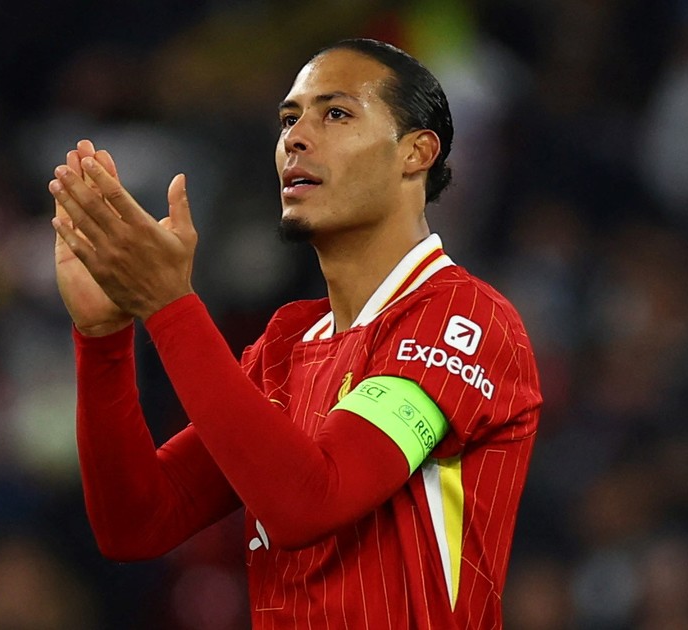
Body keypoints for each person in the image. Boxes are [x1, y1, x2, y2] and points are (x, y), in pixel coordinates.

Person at [50, 38, 541, 628]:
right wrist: (103, 338)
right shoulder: (286, 344)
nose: (296, 138)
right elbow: (138, 522)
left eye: (336, 113)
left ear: (416, 152)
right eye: (289, 119)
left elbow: (311, 502)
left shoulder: (463, 318)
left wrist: (169, 305)